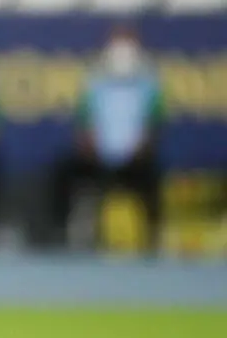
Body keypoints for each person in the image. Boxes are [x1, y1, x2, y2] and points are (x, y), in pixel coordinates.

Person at [49, 26, 164, 251]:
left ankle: (153, 237)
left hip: (135, 158)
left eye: (127, 42)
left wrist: (142, 146)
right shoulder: (94, 80)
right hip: (97, 156)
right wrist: (88, 143)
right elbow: (84, 121)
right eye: (117, 42)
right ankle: (60, 232)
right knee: (63, 171)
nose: (122, 50)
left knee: (152, 175)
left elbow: (154, 122)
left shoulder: (150, 82)